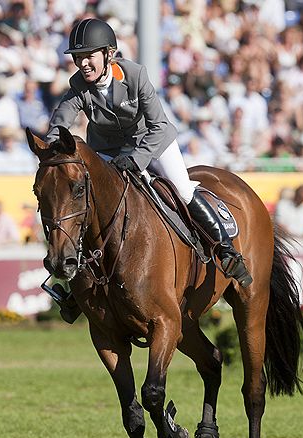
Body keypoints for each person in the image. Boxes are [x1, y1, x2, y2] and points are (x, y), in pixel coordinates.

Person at [45, 18, 252, 320]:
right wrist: (49, 148)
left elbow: (157, 125)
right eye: (78, 58)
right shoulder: (78, 86)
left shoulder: (135, 75)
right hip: (109, 153)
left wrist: (138, 159)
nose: (83, 63)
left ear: (109, 53)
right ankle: (76, 288)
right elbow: (60, 121)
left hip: (152, 144)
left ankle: (227, 252)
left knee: (182, 188)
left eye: (89, 56)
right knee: (82, 204)